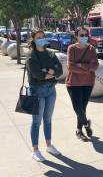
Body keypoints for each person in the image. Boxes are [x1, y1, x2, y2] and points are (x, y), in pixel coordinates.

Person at [26, 30, 63, 162]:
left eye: (43, 37)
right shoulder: (32, 55)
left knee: (48, 119)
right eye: (38, 37)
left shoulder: (50, 53)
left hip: (51, 90)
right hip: (37, 91)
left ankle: (49, 145)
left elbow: (60, 70)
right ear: (34, 40)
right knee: (36, 122)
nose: (41, 39)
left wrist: (47, 70)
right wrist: (50, 70)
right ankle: (35, 150)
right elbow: (38, 75)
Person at [66, 27, 99, 142]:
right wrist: (87, 67)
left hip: (88, 83)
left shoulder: (91, 49)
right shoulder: (71, 48)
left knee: (82, 108)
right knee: (78, 108)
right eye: (81, 35)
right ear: (76, 36)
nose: (84, 37)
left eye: (86, 35)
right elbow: (70, 67)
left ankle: (79, 130)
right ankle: (86, 125)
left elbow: (95, 66)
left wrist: (80, 65)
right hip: (73, 83)